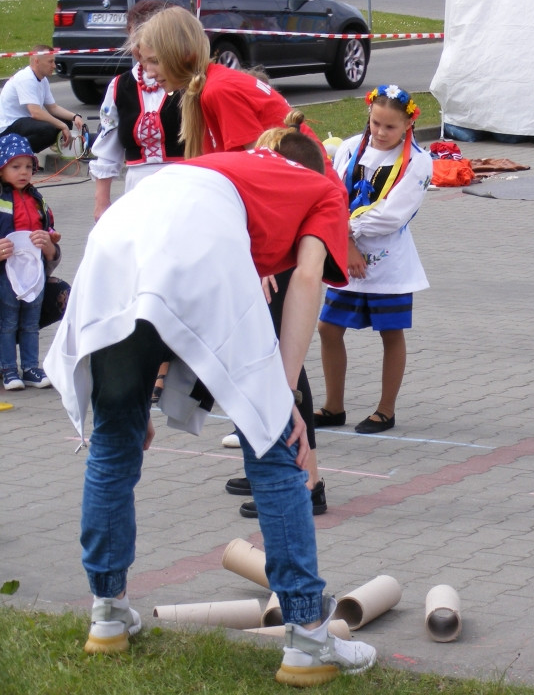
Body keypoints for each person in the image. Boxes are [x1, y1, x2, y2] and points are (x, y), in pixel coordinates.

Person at [43, 128, 377, 685]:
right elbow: (309, 279)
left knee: (113, 440)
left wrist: (138, 396)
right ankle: (307, 639)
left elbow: (164, 294)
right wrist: (283, 396)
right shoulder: (323, 190)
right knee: (273, 449)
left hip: (118, 239)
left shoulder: (227, 165)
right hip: (193, 246)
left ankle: (107, 614)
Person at [137, 5, 340, 514]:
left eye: (153, 60)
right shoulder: (209, 87)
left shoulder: (216, 91)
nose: (148, 72)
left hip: (301, 213)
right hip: (293, 208)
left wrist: (262, 260)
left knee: (276, 356)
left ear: (178, 53)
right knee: (264, 349)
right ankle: (269, 462)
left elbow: (253, 181)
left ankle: (304, 483)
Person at [314, 84, 432, 434]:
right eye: (375, 123)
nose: (380, 132)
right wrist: (344, 242)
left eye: (390, 127)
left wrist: (346, 230)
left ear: (408, 125)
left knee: (390, 331)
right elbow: (331, 195)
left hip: (388, 260)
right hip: (344, 255)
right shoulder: (351, 148)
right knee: (328, 328)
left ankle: (385, 410)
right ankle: (333, 406)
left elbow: (391, 216)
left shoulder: (417, 161)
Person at [89, 0, 184, 222]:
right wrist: (101, 203)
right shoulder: (120, 86)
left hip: (184, 182)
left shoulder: (188, 82)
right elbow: (107, 147)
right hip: (137, 188)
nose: (134, 47)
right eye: (133, 38)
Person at [0, 134, 60, 390]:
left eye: (28, 167)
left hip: (33, 273)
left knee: (29, 323)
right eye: (15, 167)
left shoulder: (37, 199)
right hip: (5, 274)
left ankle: (31, 368)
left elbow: (50, 229)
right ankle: (8, 370)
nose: (23, 173)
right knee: (9, 321)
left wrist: (50, 243)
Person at [0, 46, 85, 155]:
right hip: (8, 126)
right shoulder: (26, 78)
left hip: (24, 121)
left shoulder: (42, 79)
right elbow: (35, 113)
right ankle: (13, 153)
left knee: (66, 122)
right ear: (37, 61)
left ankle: (26, 153)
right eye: (50, 62)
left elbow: (53, 108)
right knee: (48, 130)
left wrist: (75, 117)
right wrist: (62, 126)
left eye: (54, 61)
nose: (54, 66)